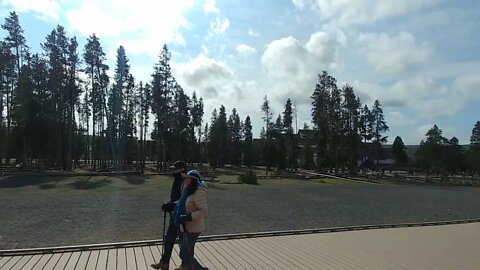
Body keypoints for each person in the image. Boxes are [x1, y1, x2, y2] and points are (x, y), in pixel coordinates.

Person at [151, 161, 187, 270]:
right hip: (174, 213)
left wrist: (172, 205)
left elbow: (186, 199)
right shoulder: (177, 179)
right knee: (169, 239)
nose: (172, 170)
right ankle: (164, 262)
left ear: (181, 169)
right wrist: (169, 205)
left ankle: (185, 264)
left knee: (183, 241)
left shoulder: (186, 180)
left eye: (175, 168)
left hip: (182, 215)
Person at [174, 170, 208, 270]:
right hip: (184, 225)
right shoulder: (187, 191)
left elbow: (203, 211)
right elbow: (184, 204)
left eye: (188, 178)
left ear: (194, 180)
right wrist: (172, 205)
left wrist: (188, 217)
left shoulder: (198, 192)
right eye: (185, 177)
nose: (185, 180)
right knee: (188, 251)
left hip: (194, 227)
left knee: (184, 253)